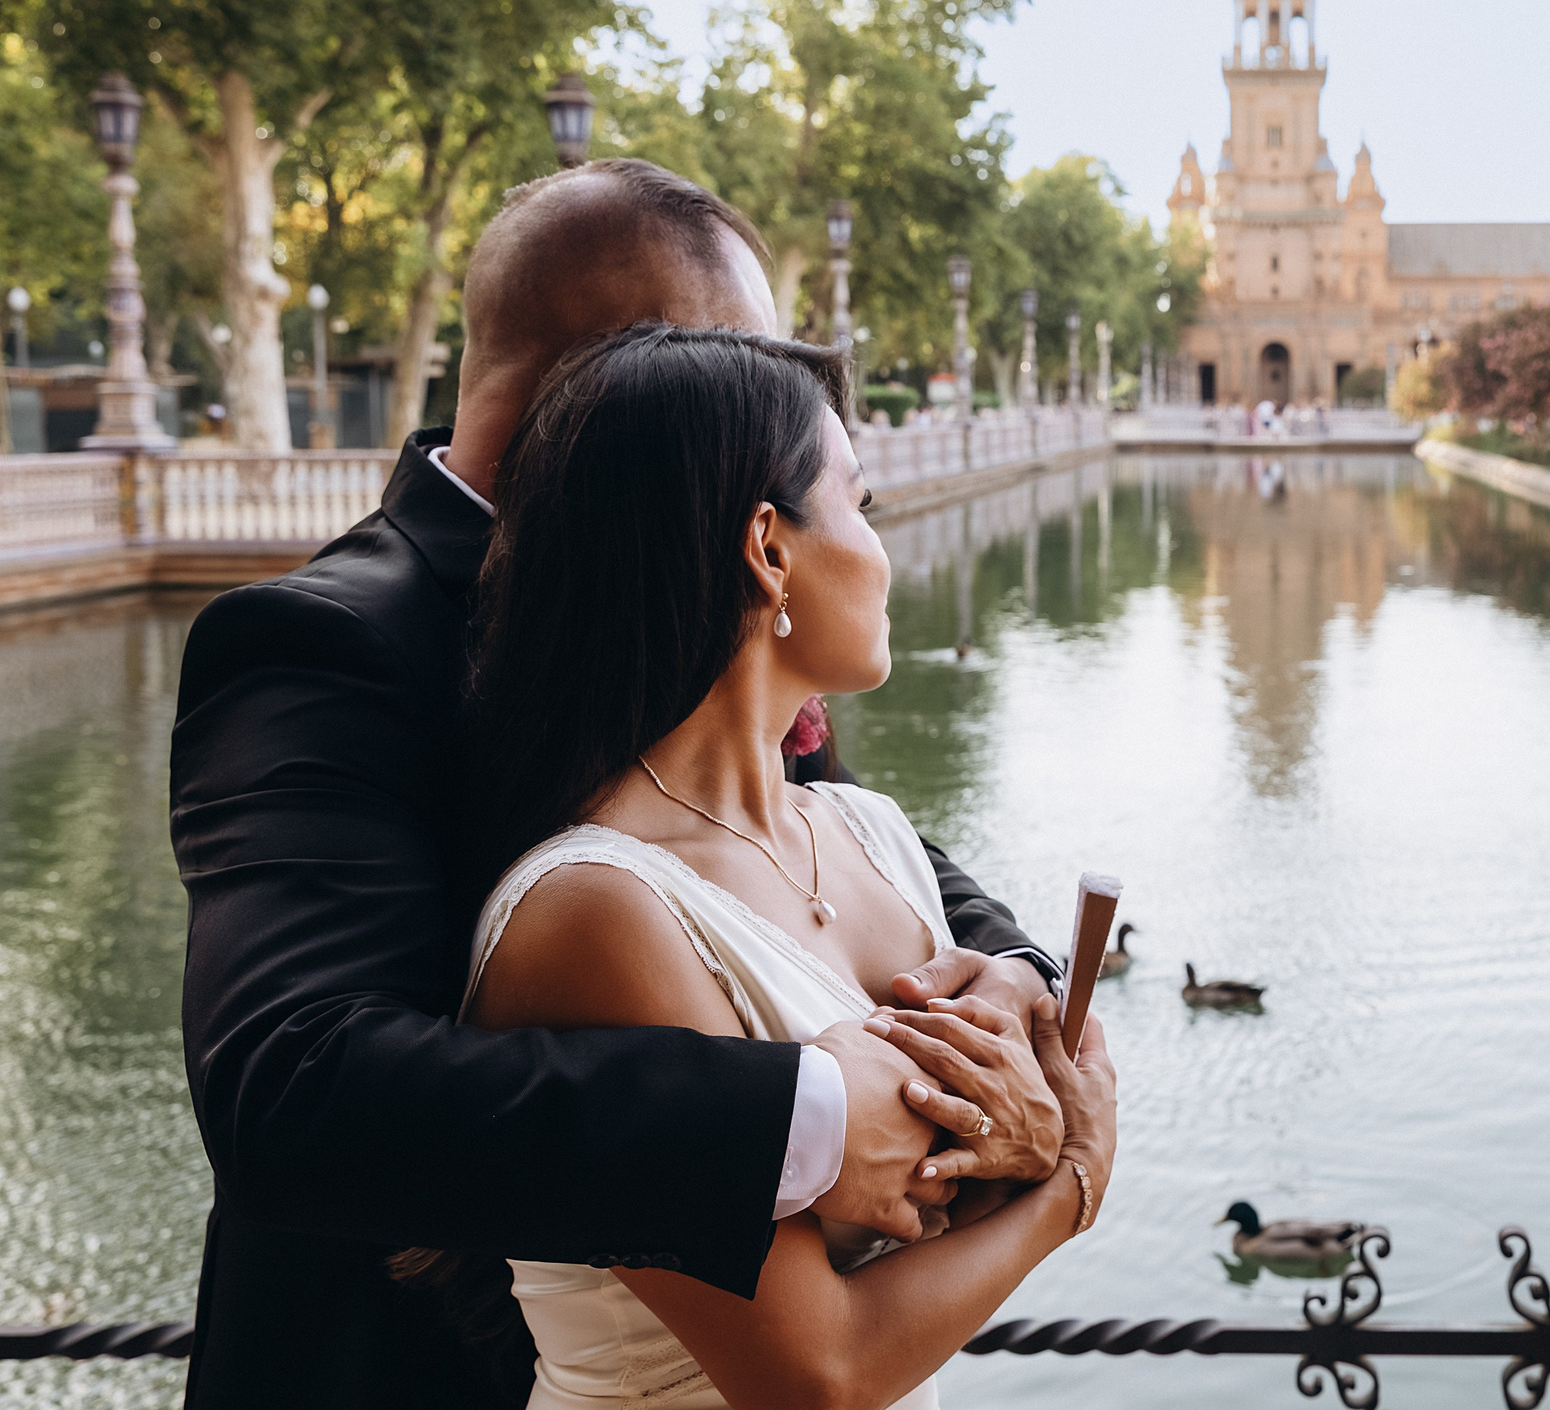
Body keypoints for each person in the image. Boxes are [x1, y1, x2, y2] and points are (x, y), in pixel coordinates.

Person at [169, 161, 1062, 1409]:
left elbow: (797, 840)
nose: (759, 408)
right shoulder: (317, 641)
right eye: (742, 372)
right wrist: (800, 1114)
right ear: (634, 376)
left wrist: (1018, 980)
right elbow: (292, 1088)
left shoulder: (711, 606)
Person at [462, 323, 1116, 1407]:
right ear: (769, 549)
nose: (883, 543)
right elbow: (818, 1371)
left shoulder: (872, 834)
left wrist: (1027, 1063)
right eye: (861, 504)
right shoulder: (596, 911)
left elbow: (985, 1163)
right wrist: (1072, 1190)